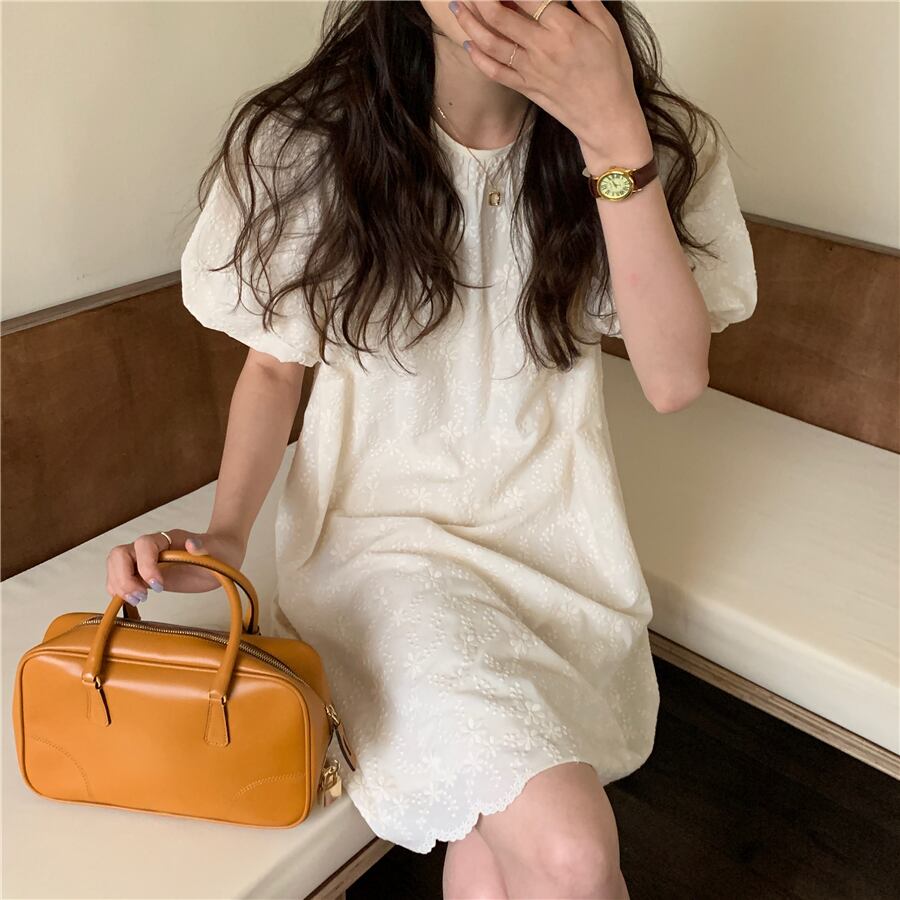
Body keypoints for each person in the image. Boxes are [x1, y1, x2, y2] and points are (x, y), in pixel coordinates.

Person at [105, 2, 757, 897]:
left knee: (496, 857)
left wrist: (612, 134)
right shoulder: (307, 145)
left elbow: (674, 378)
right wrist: (226, 536)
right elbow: (274, 368)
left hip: (561, 561)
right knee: (568, 853)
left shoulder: (651, 145)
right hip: (380, 560)